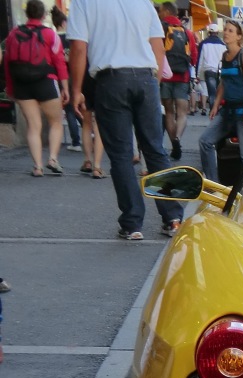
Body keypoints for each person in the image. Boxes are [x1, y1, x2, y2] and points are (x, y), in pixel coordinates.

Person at [68, 0, 183, 239]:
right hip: (146, 78)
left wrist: (76, 89)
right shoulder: (143, 3)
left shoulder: (83, 2)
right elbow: (158, 47)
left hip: (111, 80)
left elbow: (79, 48)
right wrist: (154, 85)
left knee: (121, 154)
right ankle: (172, 217)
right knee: (155, 150)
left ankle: (132, 224)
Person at [4, 1, 69, 177]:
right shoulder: (50, 34)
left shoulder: (13, 34)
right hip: (46, 82)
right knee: (55, 122)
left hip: (22, 85)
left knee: (33, 126)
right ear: (43, 15)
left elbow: (8, 64)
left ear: (27, 14)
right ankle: (53, 159)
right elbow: (59, 62)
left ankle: (37, 166)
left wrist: (10, 88)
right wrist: (65, 87)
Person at [198, 19, 243, 180]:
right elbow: (223, 83)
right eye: (226, 30)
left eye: (231, 31)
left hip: (242, 110)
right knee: (205, 141)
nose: (226, 33)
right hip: (226, 111)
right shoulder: (224, 55)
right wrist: (215, 105)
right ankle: (213, 183)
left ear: (239, 37)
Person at [157, 2, 196, 160]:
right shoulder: (187, 33)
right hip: (182, 76)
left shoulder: (161, 28)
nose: (159, 14)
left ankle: (174, 144)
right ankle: (178, 138)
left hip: (165, 77)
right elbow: (193, 58)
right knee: (181, 113)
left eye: (160, 11)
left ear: (166, 11)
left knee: (169, 112)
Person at [50, 7, 81, 153]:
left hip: (62, 77)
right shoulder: (71, 38)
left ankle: (76, 141)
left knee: (69, 109)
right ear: (64, 22)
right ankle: (91, 131)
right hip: (76, 75)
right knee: (81, 107)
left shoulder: (54, 39)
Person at [195, 22, 224, 115]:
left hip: (209, 71)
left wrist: (198, 74)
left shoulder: (204, 44)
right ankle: (218, 110)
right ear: (217, 32)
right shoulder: (223, 44)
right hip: (220, 71)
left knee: (212, 92)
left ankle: (212, 110)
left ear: (209, 32)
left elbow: (200, 60)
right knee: (219, 92)